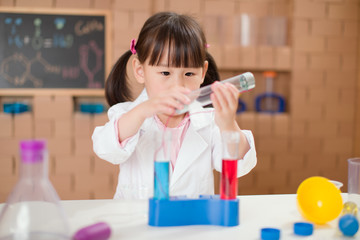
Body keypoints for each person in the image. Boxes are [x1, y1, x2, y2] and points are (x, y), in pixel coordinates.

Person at [92, 12, 257, 199]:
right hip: (139, 220)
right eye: (165, 73)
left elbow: (238, 167)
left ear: (202, 73)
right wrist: (143, 111)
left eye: (188, 74)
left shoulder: (209, 121)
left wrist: (228, 125)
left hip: (192, 222)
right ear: (140, 71)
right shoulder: (127, 115)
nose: (178, 85)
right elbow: (106, 148)